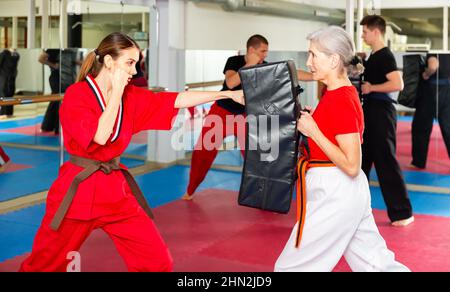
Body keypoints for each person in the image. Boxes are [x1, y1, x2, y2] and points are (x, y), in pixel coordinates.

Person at [20, 32, 243, 272]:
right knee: (43, 265)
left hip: (115, 192)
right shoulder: (77, 95)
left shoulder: (132, 97)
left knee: (157, 261)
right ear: (108, 62)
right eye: (129, 63)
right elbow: (100, 136)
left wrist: (226, 94)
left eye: (136, 63)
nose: (135, 71)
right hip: (77, 195)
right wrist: (115, 92)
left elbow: (176, 99)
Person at [274, 26, 409, 272]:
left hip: (336, 192)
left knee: (290, 268)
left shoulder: (341, 99)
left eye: (314, 55)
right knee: (376, 264)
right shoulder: (337, 93)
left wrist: (313, 131)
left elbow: (351, 165)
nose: (309, 61)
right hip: (342, 192)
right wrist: (317, 125)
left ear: (334, 59)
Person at [181, 34, 313, 200]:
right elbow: (230, 83)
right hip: (221, 113)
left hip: (245, 116)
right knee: (203, 152)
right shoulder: (234, 61)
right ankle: (190, 190)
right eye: (262, 51)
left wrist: (316, 76)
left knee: (255, 157)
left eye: (266, 51)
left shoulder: (263, 66)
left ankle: (262, 194)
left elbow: (292, 72)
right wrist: (249, 64)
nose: (265, 55)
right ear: (251, 50)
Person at [359, 15, 414, 227]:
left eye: (365, 31)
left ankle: (402, 213)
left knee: (386, 162)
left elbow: (397, 83)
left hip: (382, 114)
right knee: (362, 162)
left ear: (376, 31)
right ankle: (355, 208)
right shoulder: (374, 56)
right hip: (370, 113)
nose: (363, 35)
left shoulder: (385, 55)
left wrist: (371, 87)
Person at [411, 54, 450, 169]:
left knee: (421, 128)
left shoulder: (434, 52)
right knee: (448, 129)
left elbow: (433, 66)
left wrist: (426, 74)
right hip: (447, 92)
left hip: (430, 93)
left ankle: (418, 162)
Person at [39, 49, 79, 134]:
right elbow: (41, 59)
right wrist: (53, 65)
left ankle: (57, 127)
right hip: (56, 78)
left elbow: (71, 61)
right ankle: (49, 127)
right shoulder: (52, 49)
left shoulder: (68, 51)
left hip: (67, 78)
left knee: (63, 102)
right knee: (56, 102)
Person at [0, 48, 20, 118]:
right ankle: (3, 113)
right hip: (3, 77)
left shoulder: (16, 55)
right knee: (4, 94)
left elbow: (15, 65)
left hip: (12, 77)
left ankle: (9, 113)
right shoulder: (3, 54)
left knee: (10, 93)